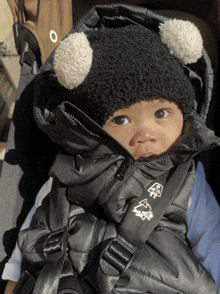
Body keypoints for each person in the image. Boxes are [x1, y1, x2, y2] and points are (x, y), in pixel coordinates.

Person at [2, 4, 220, 293]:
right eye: (121, 119)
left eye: (161, 114)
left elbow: (211, 241)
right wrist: (14, 281)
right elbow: (35, 231)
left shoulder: (187, 180)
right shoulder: (68, 173)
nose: (144, 134)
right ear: (92, 125)